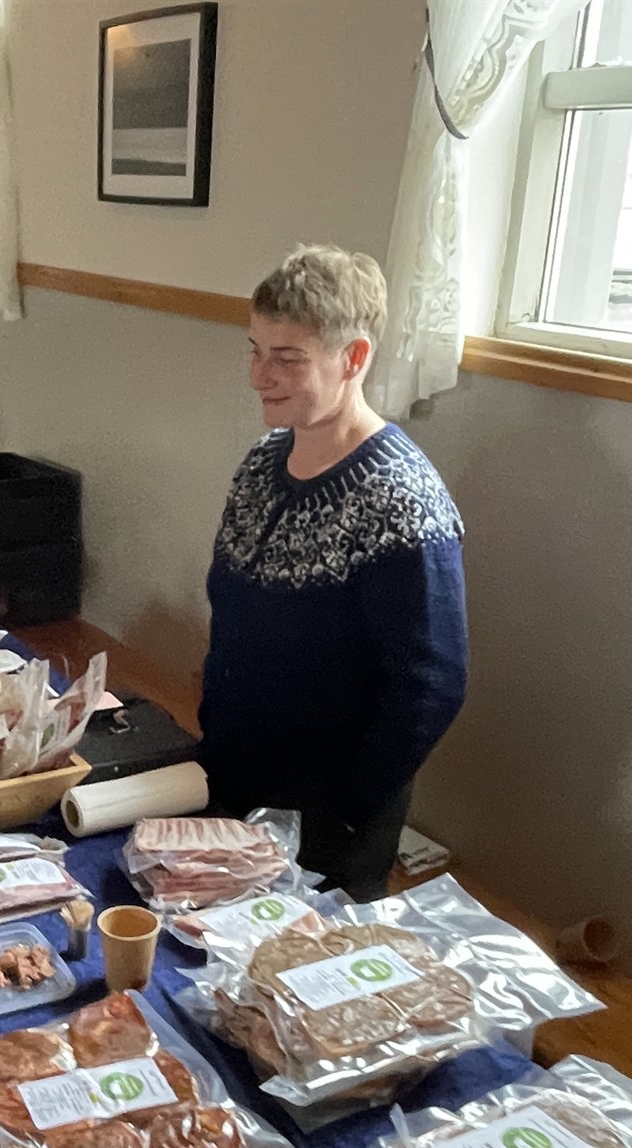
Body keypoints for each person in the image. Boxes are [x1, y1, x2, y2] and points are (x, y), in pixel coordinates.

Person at [196, 245, 468, 901]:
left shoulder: (400, 501)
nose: (259, 376)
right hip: (235, 778)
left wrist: (347, 808)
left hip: (329, 817)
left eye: (287, 358)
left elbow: (432, 684)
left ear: (354, 358)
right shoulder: (262, 464)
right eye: (256, 351)